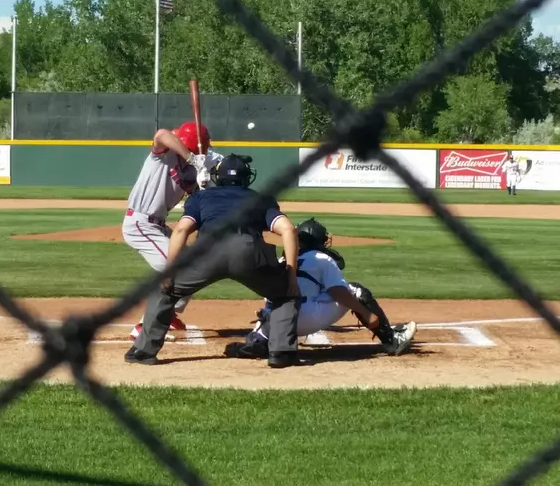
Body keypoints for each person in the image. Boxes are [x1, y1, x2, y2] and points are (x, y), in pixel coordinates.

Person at [125, 154, 304, 368]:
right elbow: (288, 229)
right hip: (247, 251)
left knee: (165, 290)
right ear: (247, 177)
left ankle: (144, 351)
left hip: (206, 253)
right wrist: (290, 276)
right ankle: (282, 353)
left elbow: (181, 229)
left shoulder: (201, 198)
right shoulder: (261, 199)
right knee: (285, 294)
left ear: (217, 177)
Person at [224, 218, 417, 359]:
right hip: (306, 318)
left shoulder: (284, 259)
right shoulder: (322, 259)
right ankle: (392, 339)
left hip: (276, 321)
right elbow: (337, 292)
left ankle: (258, 341)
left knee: (273, 309)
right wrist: (365, 312)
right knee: (355, 290)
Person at [122, 121, 224, 340]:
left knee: (195, 267)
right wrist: (191, 158)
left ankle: (169, 313)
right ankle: (144, 327)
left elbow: (222, 164)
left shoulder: (199, 165)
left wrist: (206, 180)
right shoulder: (163, 154)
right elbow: (161, 134)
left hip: (157, 225)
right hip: (140, 223)